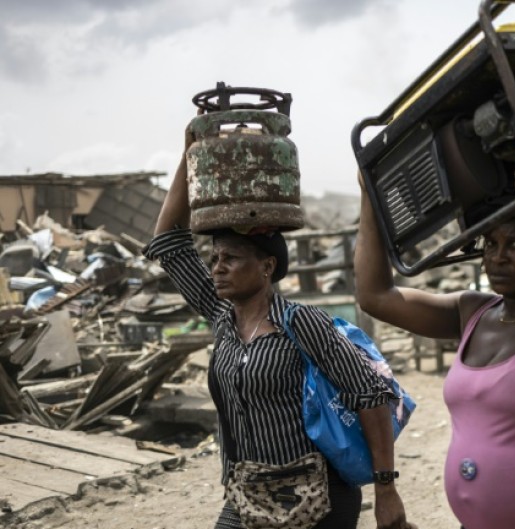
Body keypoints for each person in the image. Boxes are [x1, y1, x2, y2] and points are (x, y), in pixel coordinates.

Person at [145, 123, 413, 529]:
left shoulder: (300, 322)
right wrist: (190, 154)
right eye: (215, 258)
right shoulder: (222, 319)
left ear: (267, 267)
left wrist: (386, 490)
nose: (217, 268)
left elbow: (370, 395)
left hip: (316, 498)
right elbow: (169, 241)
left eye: (230, 259)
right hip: (246, 494)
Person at [355, 141, 515, 528]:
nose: (498, 256)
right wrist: (369, 196)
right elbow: (376, 296)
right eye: (491, 243)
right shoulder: (472, 312)